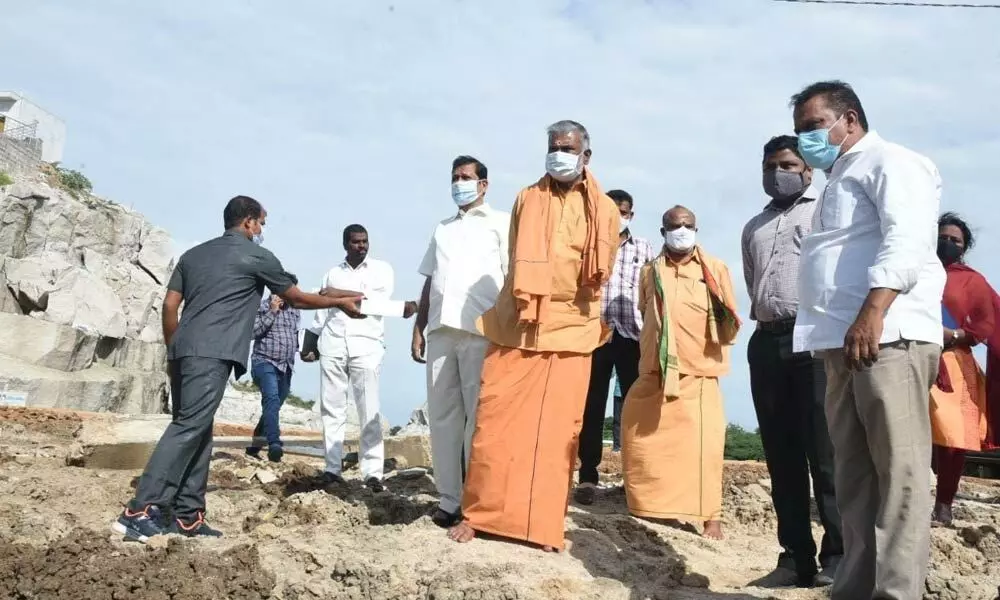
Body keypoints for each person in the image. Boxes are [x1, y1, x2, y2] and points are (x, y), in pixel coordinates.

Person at [112, 196, 363, 543]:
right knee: (188, 426)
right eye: (260, 223)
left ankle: (188, 515)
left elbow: (170, 306)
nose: (261, 230)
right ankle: (139, 511)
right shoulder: (257, 256)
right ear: (247, 222)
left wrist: (174, 349)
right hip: (213, 352)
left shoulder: (193, 255)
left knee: (200, 429)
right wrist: (339, 302)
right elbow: (298, 298)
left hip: (183, 350)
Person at [790, 80, 944, 600]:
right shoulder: (836, 178)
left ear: (849, 119)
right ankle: (854, 589)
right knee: (855, 477)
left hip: (887, 337)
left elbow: (908, 237)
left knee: (899, 474)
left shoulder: (893, 162)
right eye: (801, 131)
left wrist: (872, 312)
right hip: (841, 342)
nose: (808, 139)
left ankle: (898, 593)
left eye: (815, 126)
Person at [447, 120, 619, 552]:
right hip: (520, 325)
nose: (558, 153)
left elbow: (601, 275)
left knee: (558, 435)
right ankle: (479, 515)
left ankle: (542, 525)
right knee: (494, 426)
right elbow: (517, 260)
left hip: (573, 331)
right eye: (553, 147)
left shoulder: (607, 211)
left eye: (567, 147)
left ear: (586, 155)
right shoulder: (528, 197)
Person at [741, 135, 843, 587]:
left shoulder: (823, 212)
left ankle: (837, 557)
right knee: (780, 457)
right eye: (769, 165)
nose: (776, 173)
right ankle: (793, 557)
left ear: (807, 170)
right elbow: (753, 281)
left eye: (786, 164)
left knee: (825, 454)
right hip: (766, 341)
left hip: (813, 341)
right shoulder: (754, 226)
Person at [621, 205, 740, 541]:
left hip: (699, 373)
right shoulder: (650, 271)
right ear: (663, 232)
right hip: (655, 371)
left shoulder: (714, 269)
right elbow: (647, 313)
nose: (682, 231)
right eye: (675, 226)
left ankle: (710, 518)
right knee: (639, 439)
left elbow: (730, 319)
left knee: (703, 450)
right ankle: (651, 508)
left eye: (688, 225)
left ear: (697, 229)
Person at [411, 155, 510, 528]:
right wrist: (419, 326)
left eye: (465, 177)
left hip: (480, 329)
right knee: (442, 416)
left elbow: (511, 273)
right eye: (454, 177)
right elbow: (429, 277)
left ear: (483, 184)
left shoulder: (501, 223)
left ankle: (476, 499)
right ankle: (449, 499)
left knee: (478, 418)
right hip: (440, 329)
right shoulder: (442, 228)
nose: (458, 183)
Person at [305, 225, 414, 493]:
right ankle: (332, 469)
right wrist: (310, 341)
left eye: (365, 241)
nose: (361, 246)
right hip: (333, 343)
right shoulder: (332, 272)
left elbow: (369, 302)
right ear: (346, 244)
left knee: (369, 411)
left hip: (366, 346)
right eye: (356, 242)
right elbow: (321, 311)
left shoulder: (381, 269)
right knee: (331, 410)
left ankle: (373, 473)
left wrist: (333, 294)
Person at [575, 189, 656, 505]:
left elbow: (652, 293)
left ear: (631, 215)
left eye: (623, 211)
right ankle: (588, 476)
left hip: (632, 335)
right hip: (595, 336)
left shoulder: (644, 248)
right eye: (612, 210)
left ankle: (635, 477)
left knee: (637, 406)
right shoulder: (589, 246)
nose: (618, 216)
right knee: (591, 406)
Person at [930, 212, 1000, 526]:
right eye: (942, 237)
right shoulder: (914, 269)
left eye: (954, 240)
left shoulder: (972, 280)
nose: (947, 243)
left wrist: (955, 335)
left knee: (954, 433)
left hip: (954, 360)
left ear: (964, 247)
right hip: (910, 354)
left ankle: (944, 504)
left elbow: (986, 324)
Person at [245, 293, 301, 463]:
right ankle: (274, 443)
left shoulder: (295, 310)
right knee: (271, 399)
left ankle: (255, 446)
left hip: (286, 365)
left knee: (275, 404)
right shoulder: (260, 307)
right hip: (263, 361)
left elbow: (294, 334)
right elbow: (252, 332)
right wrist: (272, 311)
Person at [611, 370, 623, 453]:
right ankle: (616, 447)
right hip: (618, 393)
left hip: (632, 392)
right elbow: (612, 373)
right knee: (617, 420)